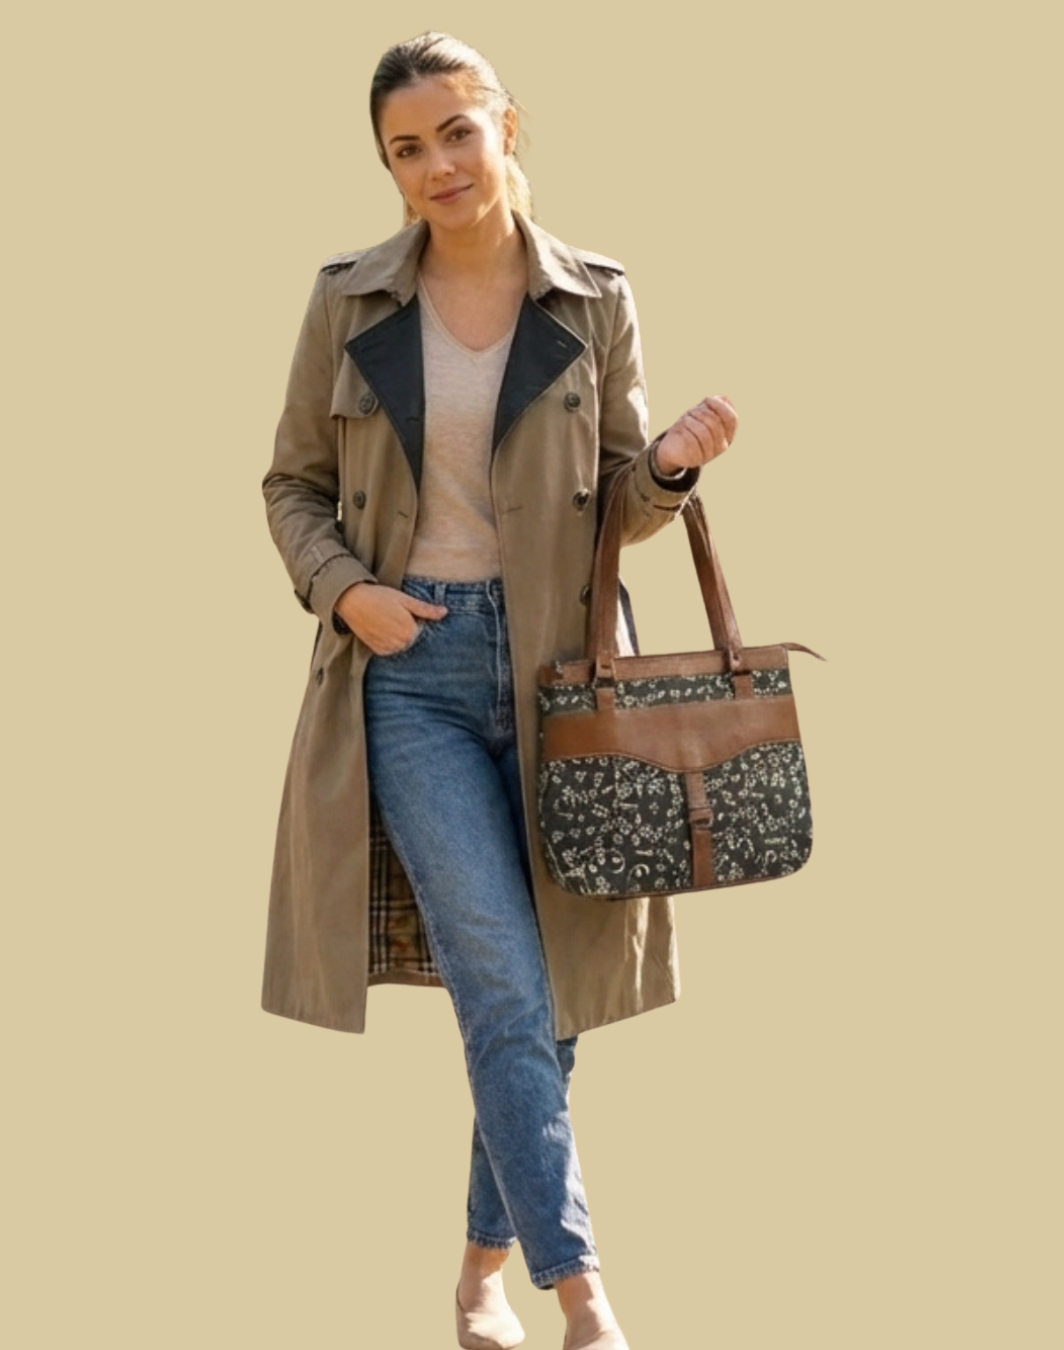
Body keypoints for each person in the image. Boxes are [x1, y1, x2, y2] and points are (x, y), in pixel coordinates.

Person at [261, 31, 738, 1350]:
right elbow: (289, 483)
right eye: (405, 148)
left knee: (549, 989)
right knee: (501, 975)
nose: (436, 166)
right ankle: (584, 1293)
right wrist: (346, 589)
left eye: (456, 132)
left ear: (508, 126)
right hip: (406, 672)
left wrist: (678, 470)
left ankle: (479, 1270)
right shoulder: (348, 301)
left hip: (562, 680)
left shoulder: (594, 298)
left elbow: (621, 504)